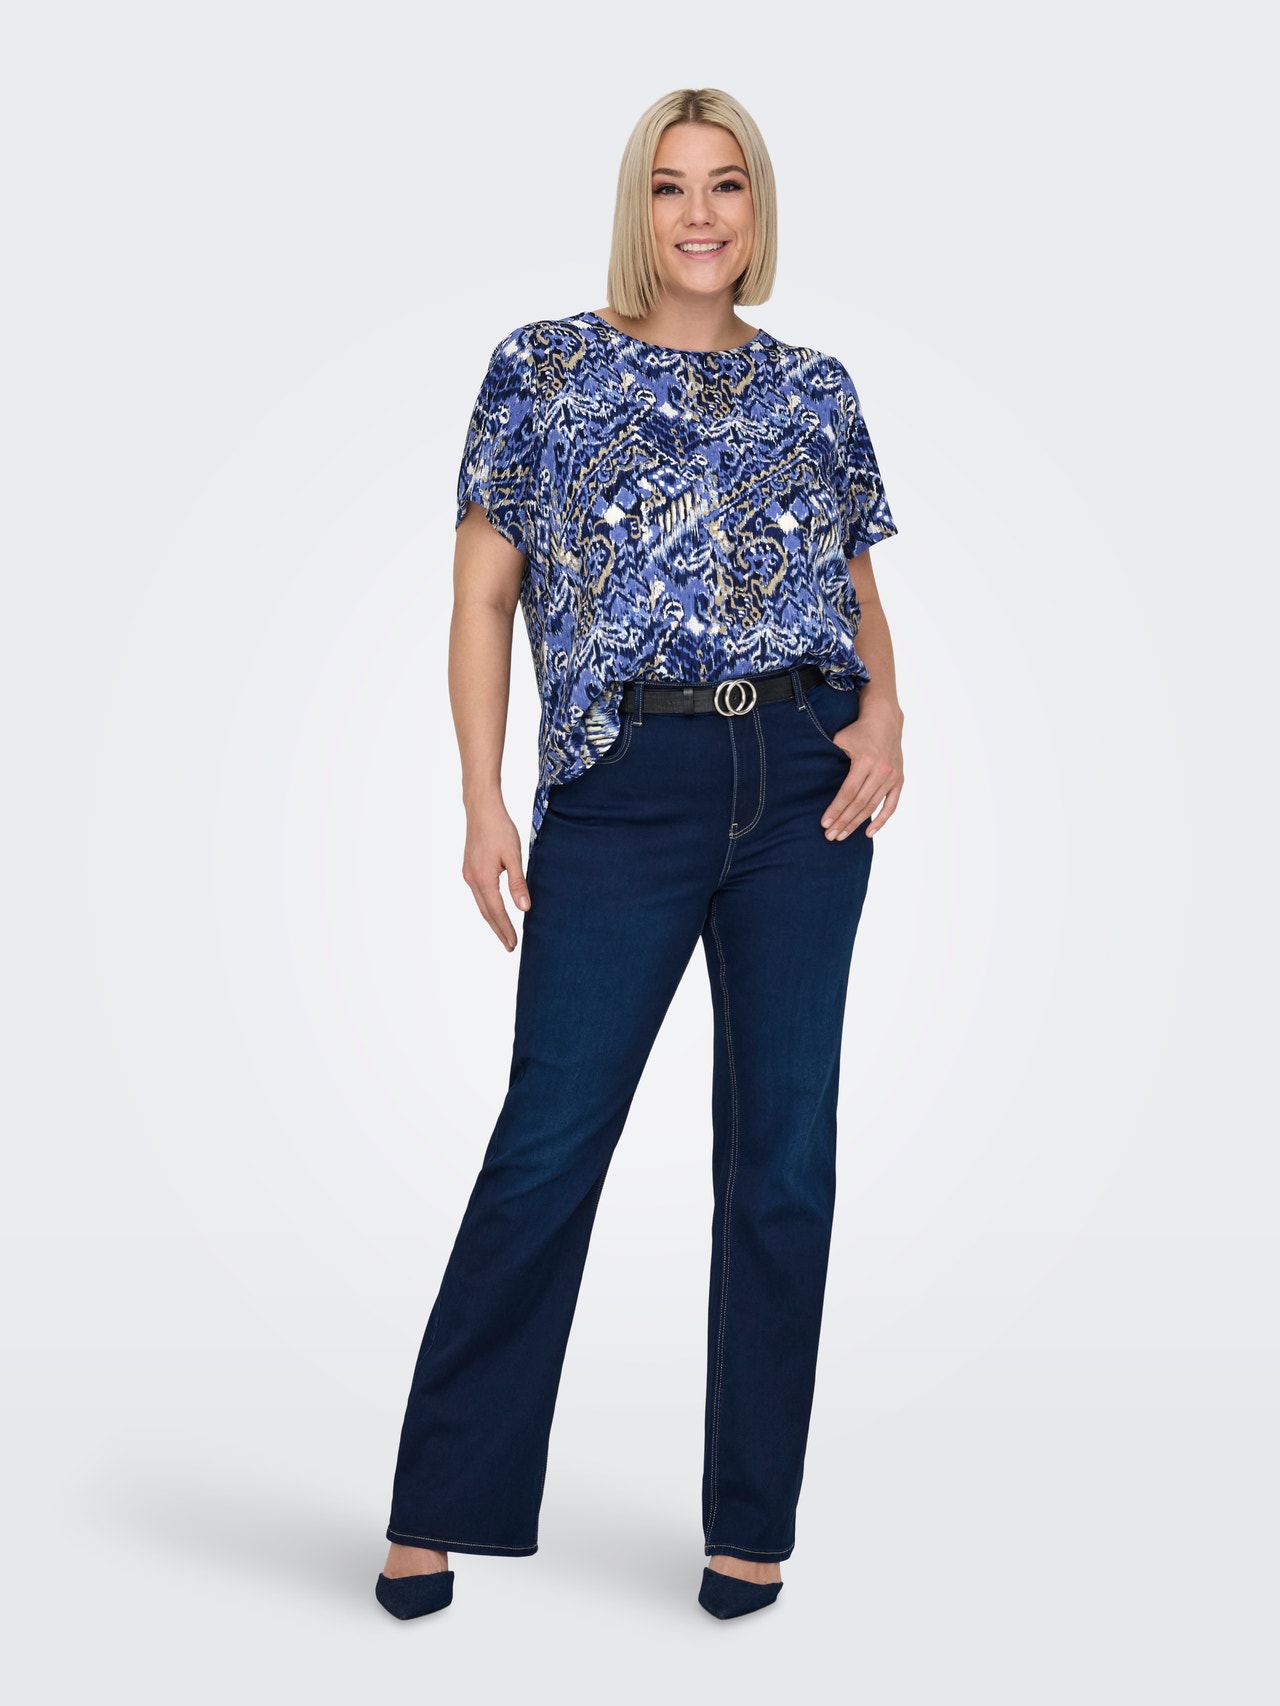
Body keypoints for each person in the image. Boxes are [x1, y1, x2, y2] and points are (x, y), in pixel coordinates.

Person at [376, 86, 904, 1623]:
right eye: (672, 186)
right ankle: (438, 1501)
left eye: (727, 185)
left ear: (758, 207)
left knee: (783, 1156)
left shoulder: (816, 388)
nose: (700, 214)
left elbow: (857, 591)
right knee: (551, 1138)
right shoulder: (543, 368)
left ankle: (752, 1523)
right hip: (624, 783)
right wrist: (483, 797)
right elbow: (483, 598)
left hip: (805, 781)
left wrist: (887, 714)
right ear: (639, 206)